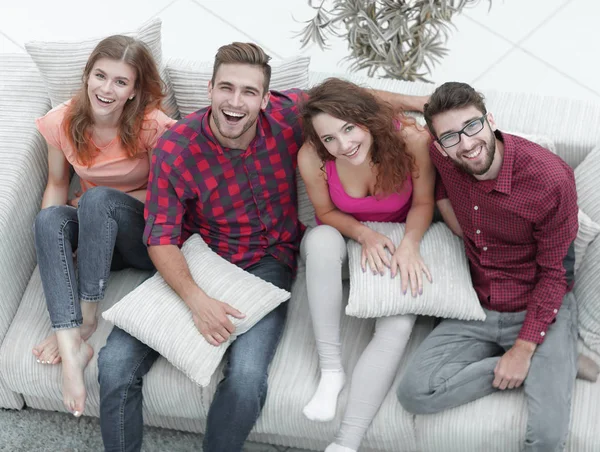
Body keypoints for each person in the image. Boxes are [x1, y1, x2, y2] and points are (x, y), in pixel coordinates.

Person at [96, 42, 428, 452]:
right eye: (226, 88)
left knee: (247, 379)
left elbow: (353, 103)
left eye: (249, 92)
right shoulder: (175, 147)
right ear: (210, 89)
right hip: (200, 257)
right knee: (113, 364)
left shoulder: (288, 119)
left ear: (266, 99)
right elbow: (161, 236)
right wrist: (197, 300)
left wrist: (423, 102)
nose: (235, 102)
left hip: (269, 264)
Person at [396, 82, 579, 452]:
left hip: (539, 308)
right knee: (414, 393)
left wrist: (523, 351)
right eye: (449, 137)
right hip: (476, 306)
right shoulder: (442, 155)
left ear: (490, 120)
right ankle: (551, 368)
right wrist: (451, 218)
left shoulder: (550, 179)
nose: (465, 144)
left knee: (546, 439)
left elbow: (555, 274)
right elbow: (356, 100)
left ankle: (548, 360)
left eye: (472, 127)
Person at [32, 35, 175, 417]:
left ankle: (88, 317)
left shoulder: (153, 127)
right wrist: (56, 241)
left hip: (138, 235)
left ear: (134, 91)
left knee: (98, 199)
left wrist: (110, 205)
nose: (106, 89)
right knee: (48, 218)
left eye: (120, 82)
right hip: (95, 235)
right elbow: (58, 185)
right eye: (100, 76)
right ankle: (71, 346)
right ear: (87, 75)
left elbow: (169, 197)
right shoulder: (61, 121)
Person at [298, 78, 434, 452]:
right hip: (347, 238)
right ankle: (331, 371)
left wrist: (409, 244)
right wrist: (363, 235)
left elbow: (424, 203)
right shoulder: (313, 157)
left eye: (349, 129)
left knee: (400, 315)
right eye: (330, 139)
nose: (343, 145)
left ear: (366, 119)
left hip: (399, 237)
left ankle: (346, 442)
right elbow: (324, 212)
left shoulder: (411, 141)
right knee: (319, 239)